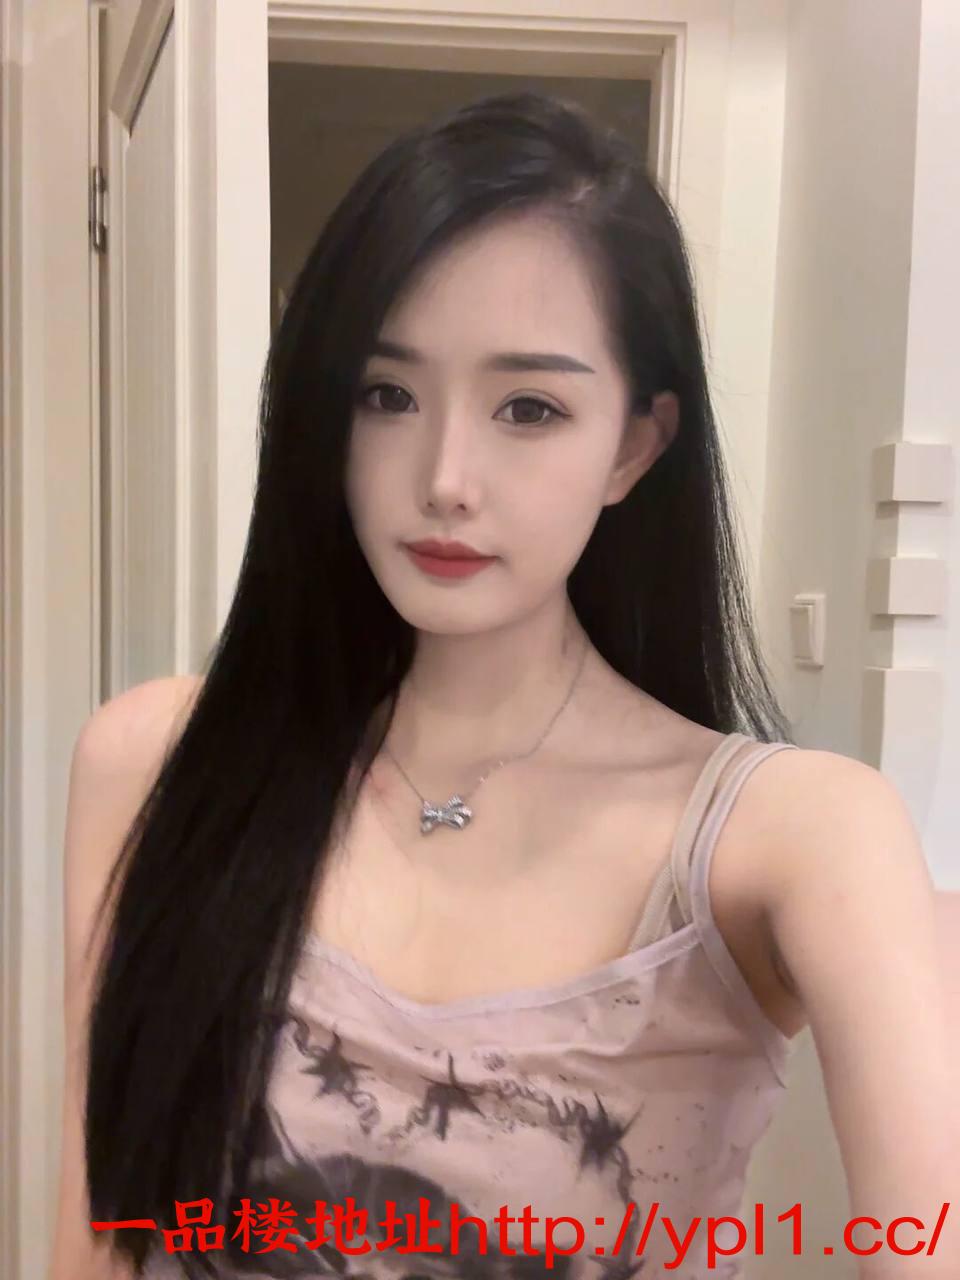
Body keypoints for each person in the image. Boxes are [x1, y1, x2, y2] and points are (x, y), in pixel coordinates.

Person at [48, 92, 956, 1280]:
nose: (446, 477)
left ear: (632, 444)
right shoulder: (162, 764)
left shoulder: (795, 833)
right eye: (386, 394)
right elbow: (96, 1239)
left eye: (530, 406)